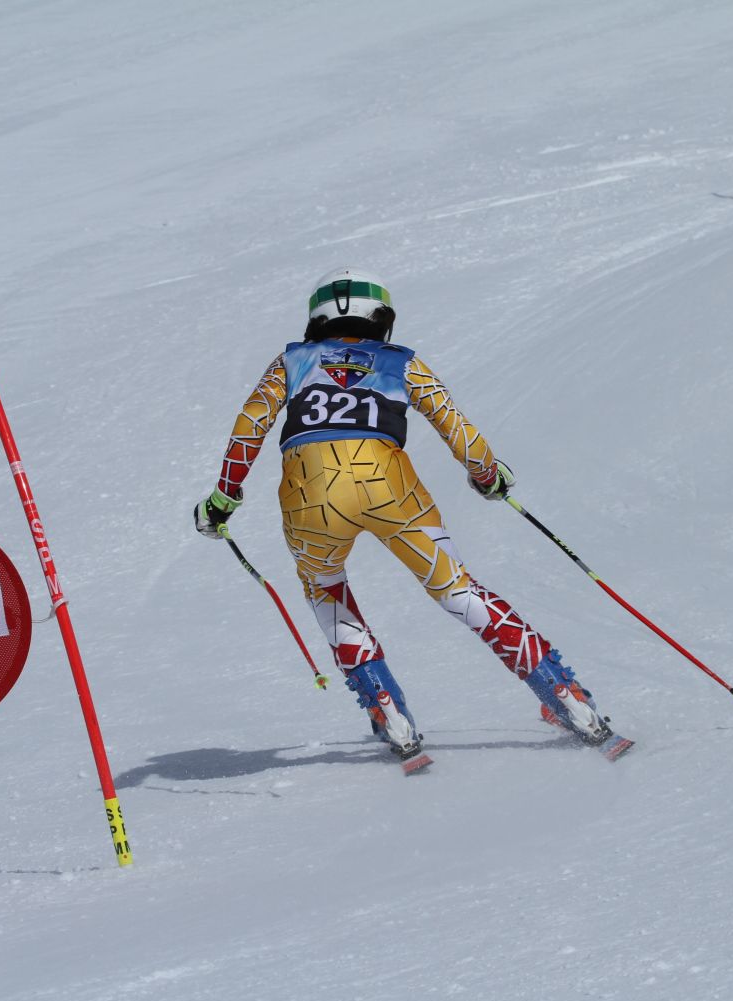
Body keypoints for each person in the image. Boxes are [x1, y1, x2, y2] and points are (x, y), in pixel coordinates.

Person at [194, 269, 622, 763]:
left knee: (326, 590)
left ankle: (388, 711)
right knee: (458, 590)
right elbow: (453, 424)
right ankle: (566, 696)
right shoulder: (401, 361)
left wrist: (224, 498)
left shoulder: (291, 360)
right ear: (382, 317)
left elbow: (249, 428)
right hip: (390, 485)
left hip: (308, 493)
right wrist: (487, 474)